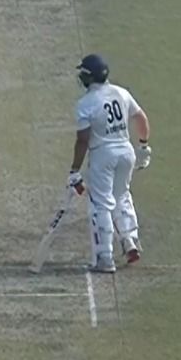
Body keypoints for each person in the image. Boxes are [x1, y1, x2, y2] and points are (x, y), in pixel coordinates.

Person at [68, 54, 152, 273]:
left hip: (103, 155)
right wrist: (143, 146)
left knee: (101, 205)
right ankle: (130, 240)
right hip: (126, 152)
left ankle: (104, 258)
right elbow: (141, 118)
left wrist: (74, 171)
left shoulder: (85, 104)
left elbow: (83, 140)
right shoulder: (122, 93)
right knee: (122, 196)